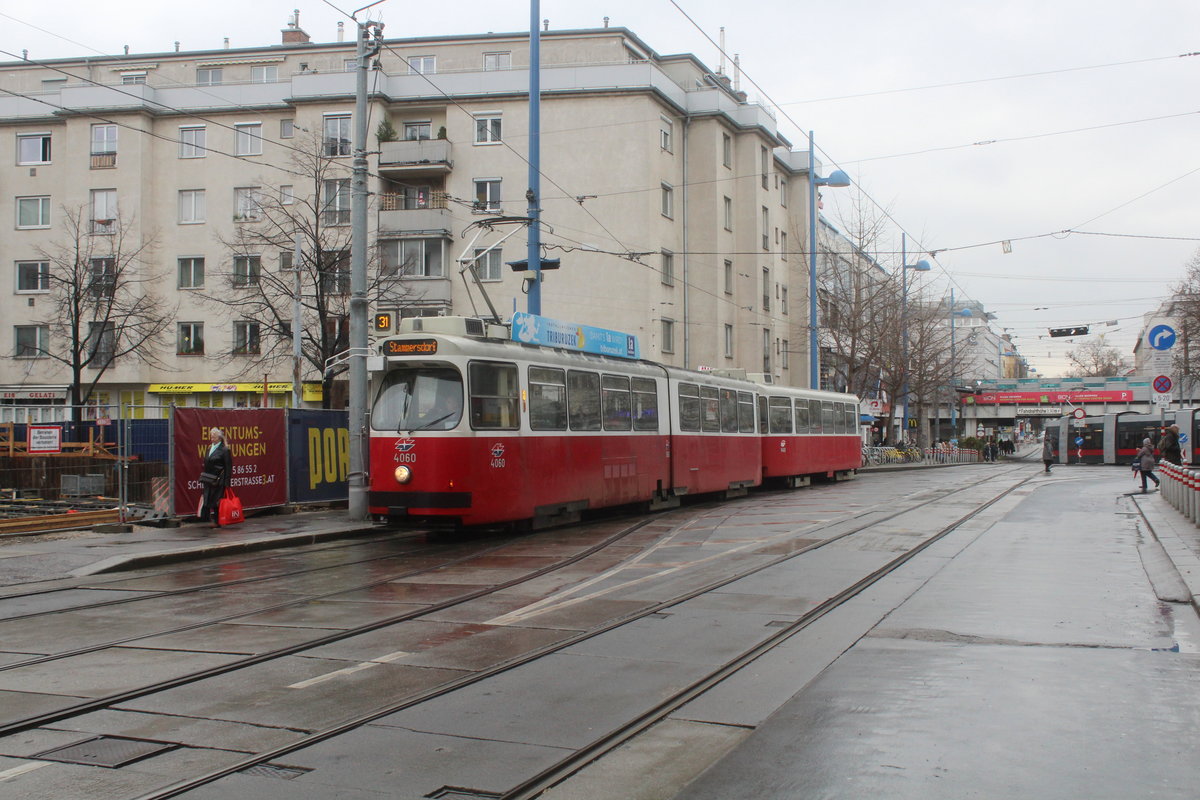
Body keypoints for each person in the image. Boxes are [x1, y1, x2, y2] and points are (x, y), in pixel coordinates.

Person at [199, 427, 233, 528]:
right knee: (208, 498)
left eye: (214, 437)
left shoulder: (225, 450)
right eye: (211, 437)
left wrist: (227, 482)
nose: (212, 439)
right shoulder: (209, 448)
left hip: (219, 479)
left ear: (219, 438)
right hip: (208, 478)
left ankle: (217, 521)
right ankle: (210, 518)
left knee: (216, 500)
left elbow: (228, 466)